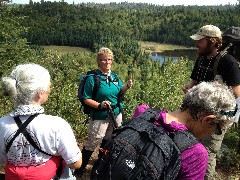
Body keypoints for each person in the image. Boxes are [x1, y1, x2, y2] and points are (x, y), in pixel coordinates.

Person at [133, 81, 236, 179]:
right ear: (208, 120)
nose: (213, 133)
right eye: (217, 130)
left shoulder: (143, 112)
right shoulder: (195, 155)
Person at [0, 63, 82, 179]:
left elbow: (2, 159)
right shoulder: (57, 125)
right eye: (48, 85)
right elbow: (76, 163)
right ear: (39, 93)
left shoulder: (2, 124)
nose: (50, 88)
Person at [182, 25, 240, 179]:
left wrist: (210, 97)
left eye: (200, 41)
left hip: (214, 119)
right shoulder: (201, 59)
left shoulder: (228, 62)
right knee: (188, 146)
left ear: (213, 41)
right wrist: (189, 89)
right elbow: (193, 82)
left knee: (207, 153)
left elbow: (236, 92)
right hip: (195, 113)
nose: (196, 44)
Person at [74, 47, 133, 177]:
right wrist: (100, 105)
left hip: (116, 114)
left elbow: (119, 92)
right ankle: (80, 168)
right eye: (104, 60)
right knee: (93, 141)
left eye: (110, 59)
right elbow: (86, 98)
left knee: (108, 140)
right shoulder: (92, 78)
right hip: (100, 115)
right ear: (99, 61)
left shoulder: (115, 76)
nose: (107, 62)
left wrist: (127, 86)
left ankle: (100, 163)